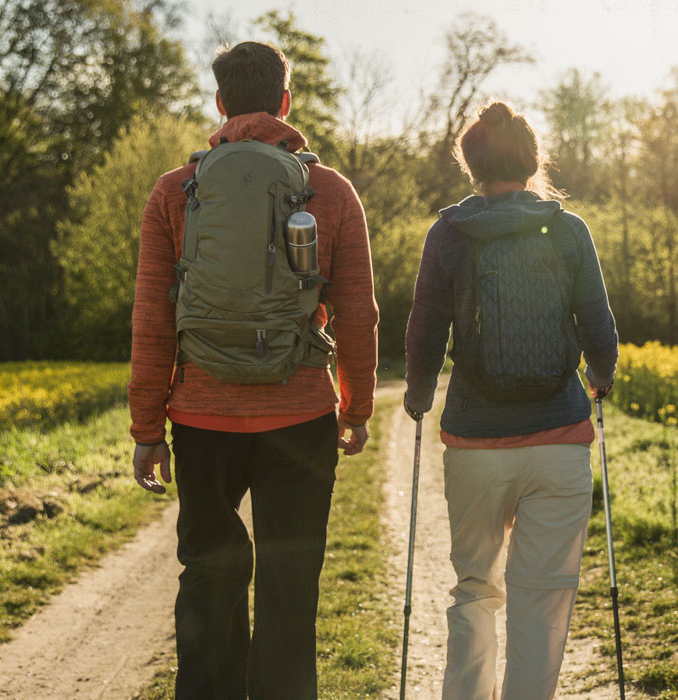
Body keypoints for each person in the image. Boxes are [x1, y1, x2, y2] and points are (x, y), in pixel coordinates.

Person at [127, 41, 379, 700]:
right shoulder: (328, 190)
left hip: (201, 417)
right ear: (286, 103)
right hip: (299, 416)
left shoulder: (174, 193)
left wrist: (147, 427)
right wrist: (355, 408)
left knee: (209, 579)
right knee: (289, 589)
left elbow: (153, 322)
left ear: (219, 104)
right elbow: (358, 314)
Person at [404, 101, 620, 699]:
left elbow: (424, 330)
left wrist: (419, 397)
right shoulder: (569, 228)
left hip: (475, 442)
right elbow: (599, 328)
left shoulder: (448, 233)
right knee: (544, 592)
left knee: (475, 587)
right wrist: (601, 379)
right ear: (531, 161)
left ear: (471, 165)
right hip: (560, 440)